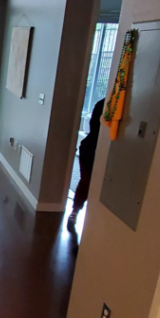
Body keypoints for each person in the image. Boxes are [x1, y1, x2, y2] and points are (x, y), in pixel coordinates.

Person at [68, 97, 105, 227]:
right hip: (90, 150)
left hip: (94, 149)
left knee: (92, 184)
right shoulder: (104, 105)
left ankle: (79, 213)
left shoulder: (103, 104)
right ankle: (75, 212)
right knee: (87, 182)